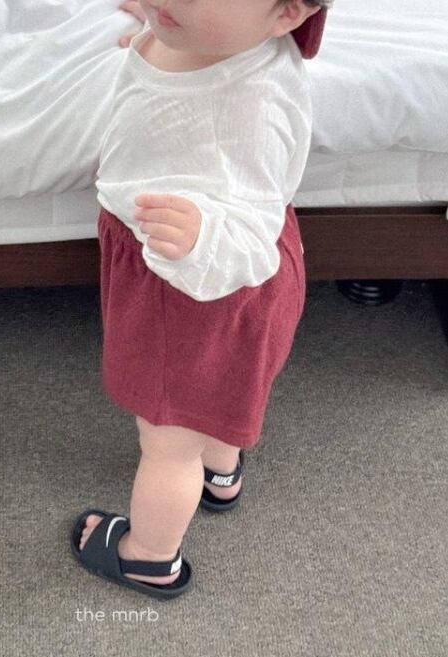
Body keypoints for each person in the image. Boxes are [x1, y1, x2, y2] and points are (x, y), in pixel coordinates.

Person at [70, 0, 332, 600]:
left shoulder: (251, 108)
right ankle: (221, 472)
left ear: (287, 13)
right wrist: (157, 21)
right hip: (200, 276)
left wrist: (204, 240)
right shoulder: (211, 30)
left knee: (168, 441)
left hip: (197, 288)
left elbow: (252, 234)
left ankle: (149, 556)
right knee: (223, 388)